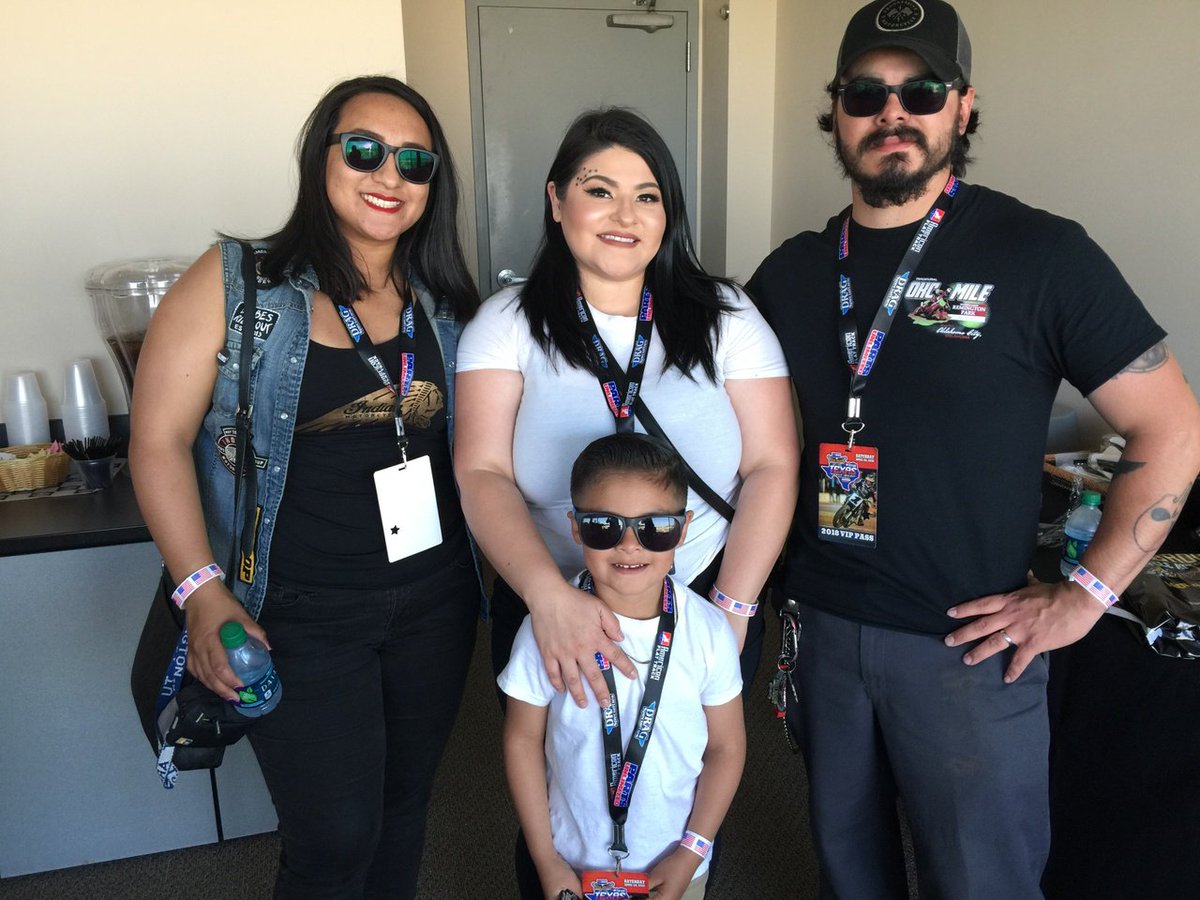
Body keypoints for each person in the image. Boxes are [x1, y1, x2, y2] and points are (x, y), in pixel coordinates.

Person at [746, 2, 1200, 897]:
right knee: (850, 866)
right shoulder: (790, 273)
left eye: (920, 89)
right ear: (834, 111)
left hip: (969, 649)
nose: (892, 112)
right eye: (865, 92)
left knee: (982, 879)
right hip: (824, 628)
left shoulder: (1041, 254)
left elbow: (1173, 427)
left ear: (963, 106)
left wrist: (1086, 596)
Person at [129, 75, 481, 898]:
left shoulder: (448, 308)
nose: (388, 174)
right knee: (333, 839)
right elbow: (156, 442)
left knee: (402, 813)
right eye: (364, 150)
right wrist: (201, 592)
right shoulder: (236, 283)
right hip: (293, 610)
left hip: (433, 602)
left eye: (414, 162)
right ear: (320, 158)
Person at [454, 107, 798, 710]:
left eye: (647, 195)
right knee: (560, 770)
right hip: (551, 594)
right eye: (599, 191)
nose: (625, 215)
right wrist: (549, 599)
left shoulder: (727, 315)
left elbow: (772, 464)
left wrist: (732, 610)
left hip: (701, 592)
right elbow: (481, 471)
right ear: (557, 201)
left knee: (696, 773)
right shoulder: (505, 323)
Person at [500, 433, 745, 900]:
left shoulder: (709, 631)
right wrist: (545, 859)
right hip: (569, 865)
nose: (630, 546)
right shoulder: (545, 629)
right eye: (603, 526)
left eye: (655, 528)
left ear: (684, 527)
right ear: (575, 528)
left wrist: (691, 853)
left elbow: (727, 748)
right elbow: (522, 739)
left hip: (674, 865)